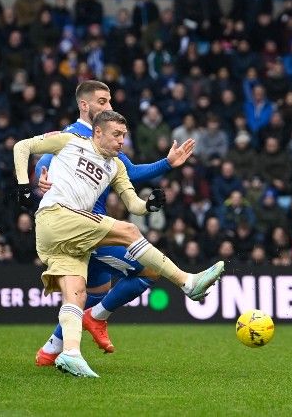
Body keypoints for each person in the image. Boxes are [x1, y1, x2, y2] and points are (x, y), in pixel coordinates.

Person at [13, 110, 224, 377]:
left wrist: (149, 206)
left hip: (67, 236)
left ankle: (70, 353)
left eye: (124, 135)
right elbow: (22, 146)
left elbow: (133, 203)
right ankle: (187, 283)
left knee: (76, 294)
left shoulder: (116, 166)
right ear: (97, 132)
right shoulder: (70, 140)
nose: (121, 140)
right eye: (116, 134)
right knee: (128, 230)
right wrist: (23, 185)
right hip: (55, 216)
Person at [33, 80, 194, 367]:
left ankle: (52, 350)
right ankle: (184, 282)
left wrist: (166, 164)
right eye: (102, 101)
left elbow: (128, 172)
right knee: (148, 270)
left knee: (90, 295)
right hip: (84, 228)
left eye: (109, 101)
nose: (109, 106)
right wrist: (39, 178)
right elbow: (42, 156)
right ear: (84, 105)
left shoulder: (108, 136)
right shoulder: (74, 134)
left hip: (94, 223)